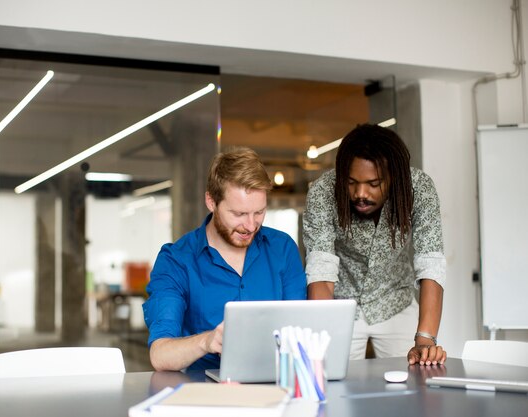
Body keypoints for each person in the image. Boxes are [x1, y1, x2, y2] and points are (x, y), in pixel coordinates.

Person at [143, 147, 307, 371]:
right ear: (211, 202)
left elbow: (299, 329)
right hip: (204, 392)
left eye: (259, 212)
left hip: (276, 383)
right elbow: (160, 355)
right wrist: (207, 341)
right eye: (238, 214)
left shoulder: (283, 249)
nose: (251, 226)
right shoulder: (176, 261)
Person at [303, 124, 447, 366]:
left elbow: (430, 261)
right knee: (330, 379)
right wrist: (322, 336)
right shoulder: (323, 192)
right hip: (340, 305)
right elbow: (321, 270)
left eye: (373, 183)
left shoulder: (418, 189)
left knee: (415, 382)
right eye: (351, 182)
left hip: (395, 302)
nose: (361, 193)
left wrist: (425, 339)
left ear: (393, 177)